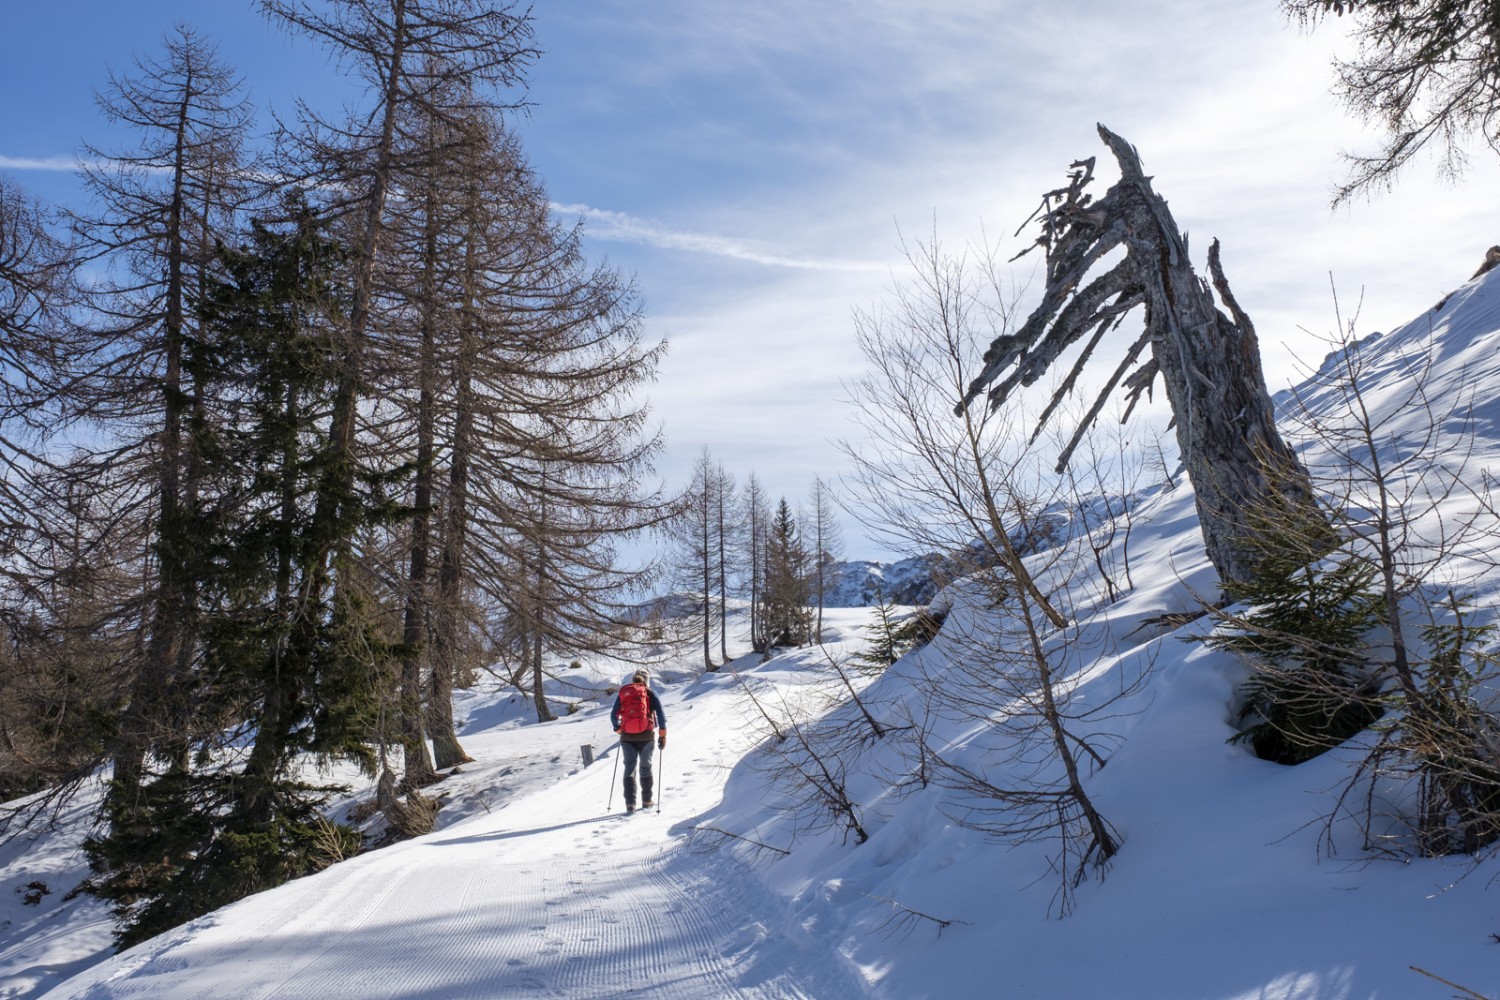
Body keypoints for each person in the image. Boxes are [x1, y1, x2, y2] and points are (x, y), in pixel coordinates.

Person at [610, 669, 667, 813]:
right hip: (646, 736)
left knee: (629, 768)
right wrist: (662, 735)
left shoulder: (625, 693)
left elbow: (613, 715)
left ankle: (630, 804)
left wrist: (618, 729)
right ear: (646, 681)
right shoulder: (650, 693)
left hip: (627, 737)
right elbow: (661, 715)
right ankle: (647, 801)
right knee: (645, 767)